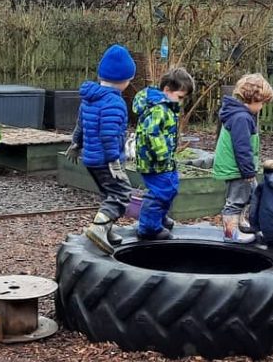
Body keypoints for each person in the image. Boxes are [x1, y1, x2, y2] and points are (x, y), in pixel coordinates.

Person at [66, 44, 137, 253]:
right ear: (124, 80)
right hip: (107, 160)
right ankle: (99, 228)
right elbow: (109, 134)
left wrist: (76, 144)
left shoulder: (90, 98)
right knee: (122, 193)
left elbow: (81, 124)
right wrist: (114, 160)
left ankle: (107, 229)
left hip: (91, 158)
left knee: (108, 193)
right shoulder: (114, 102)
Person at [132, 67, 195, 240]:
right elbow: (151, 132)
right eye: (180, 97)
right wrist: (162, 155)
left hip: (164, 160)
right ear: (167, 90)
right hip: (154, 161)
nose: (181, 103)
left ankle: (159, 217)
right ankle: (148, 227)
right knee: (160, 191)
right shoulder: (159, 108)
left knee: (171, 187)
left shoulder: (166, 107)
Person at [212, 73, 273, 242]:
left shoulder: (239, 114)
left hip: (240, 167)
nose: (262, 107)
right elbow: (242, 147)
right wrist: (248, 171)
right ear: (253, 99)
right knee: (236, 200)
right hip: (237, 168)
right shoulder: (241, 117)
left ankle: (239, 223)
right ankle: (230, 233)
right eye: (262, 103)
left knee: (251, 194)